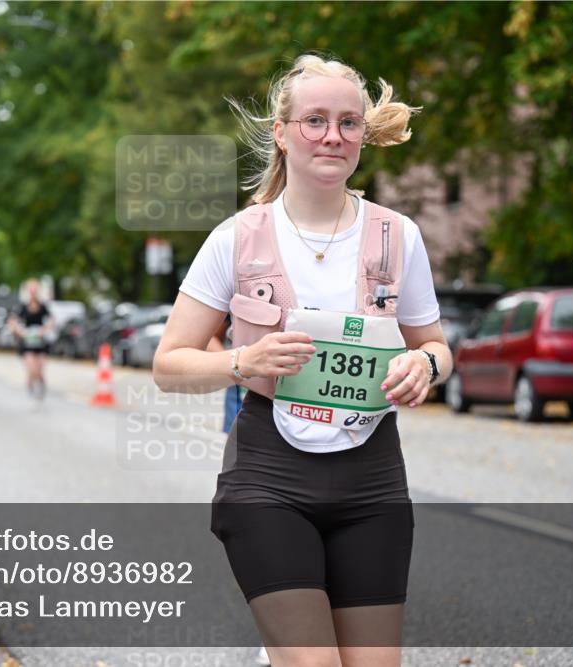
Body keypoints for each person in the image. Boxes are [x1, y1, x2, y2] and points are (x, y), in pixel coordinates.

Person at [153, 54, 452, 667]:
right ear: (282, 133)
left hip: (373, 480)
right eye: (315, 120)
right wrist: (246, 359)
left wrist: (426, 368)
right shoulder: (237, 238)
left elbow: (436, 344)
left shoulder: (399, 237)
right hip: (267, 478)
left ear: (363, 136)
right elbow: (169, 363)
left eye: (348, 123)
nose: (332, 136)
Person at [9, 279, 53, 402]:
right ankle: (31, 385)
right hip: (28, 343)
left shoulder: (43, 307)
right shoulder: (22, 307)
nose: (33, 293)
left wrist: (44, 330)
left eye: (35, 290)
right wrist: (21, 331)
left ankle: (41, 383)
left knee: (39, 370)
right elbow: (12, 321)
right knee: (31, 367)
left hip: (40, 342)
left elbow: (51, 321)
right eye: (31, 290)